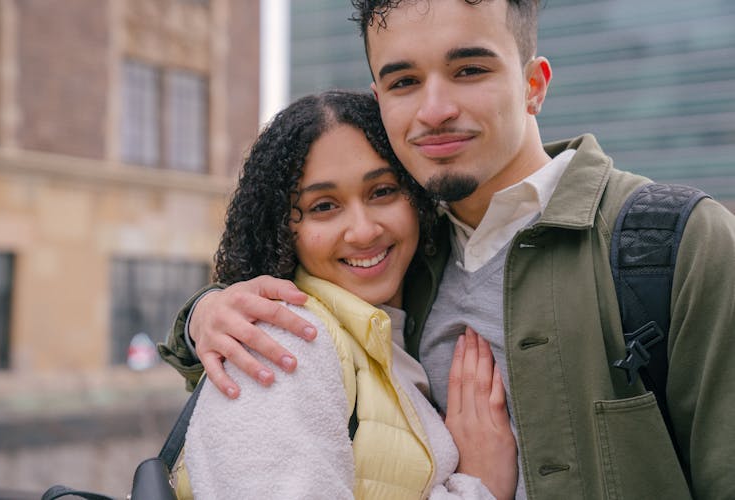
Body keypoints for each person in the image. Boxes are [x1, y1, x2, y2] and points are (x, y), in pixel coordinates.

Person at [159, 1, 735, 498]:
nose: (434, 109)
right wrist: (205, 314)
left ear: (534, 84)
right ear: (379, 98)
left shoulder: (678, 245)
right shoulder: (399, 257)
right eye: (405, 81)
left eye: (469, 69)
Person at [179, 90, 517, 499]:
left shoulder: (383, 338)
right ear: (282, 228)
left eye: (382, 192)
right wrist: (482, 487)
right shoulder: (287, 341)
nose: (363, 230)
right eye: (323, 206)